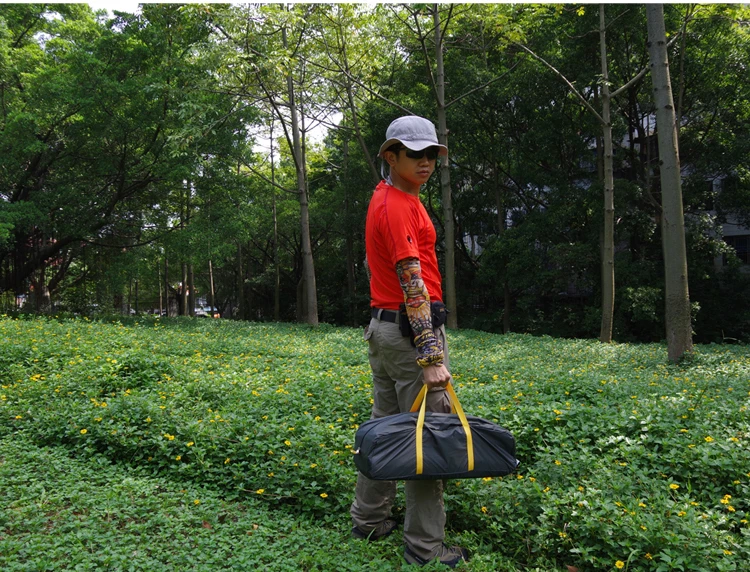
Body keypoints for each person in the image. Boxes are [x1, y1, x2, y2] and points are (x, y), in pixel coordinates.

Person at [350, 116, 469, 568]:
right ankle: (425, 547)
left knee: (387, 428)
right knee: (428, 437)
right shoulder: (398, 205)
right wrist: (430, 354)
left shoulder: (385, 199)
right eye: (412, 154)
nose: (424, 162)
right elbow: (412, 282)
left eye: (430, 154)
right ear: (390, 156)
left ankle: (369, 519)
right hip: (408, 333)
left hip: (384, 329)